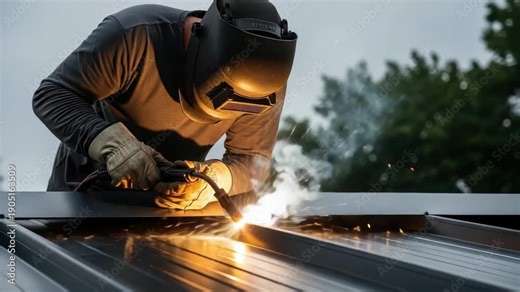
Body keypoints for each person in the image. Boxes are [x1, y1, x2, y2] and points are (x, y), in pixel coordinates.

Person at [32, 0, 298, 210]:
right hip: (82, 202)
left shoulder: (268, 81)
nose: (224, 108)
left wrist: (219, 179)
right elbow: (53, 94)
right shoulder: (134, 35)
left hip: (168, 213)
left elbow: (252, 162)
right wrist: (114, 146)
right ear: (199, 42)